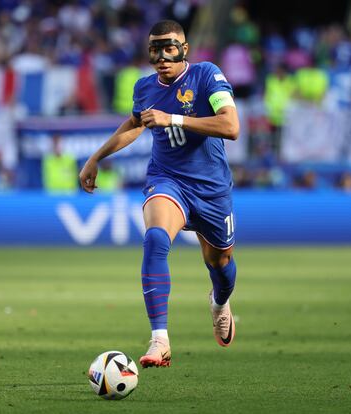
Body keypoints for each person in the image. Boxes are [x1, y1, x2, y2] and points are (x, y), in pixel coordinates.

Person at [79, 20, 239, 368]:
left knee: (220, 263)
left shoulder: (206, 76)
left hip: (211, 190)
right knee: (154, 239)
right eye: (155, 49)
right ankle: (159, 340)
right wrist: (96, 158)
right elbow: (134, 124)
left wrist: (175, 120)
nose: (162, 57)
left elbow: (231, 126)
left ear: (184, 49)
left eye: (169, 48)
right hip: (167, 180)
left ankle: (219, 303)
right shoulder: (145, 87)